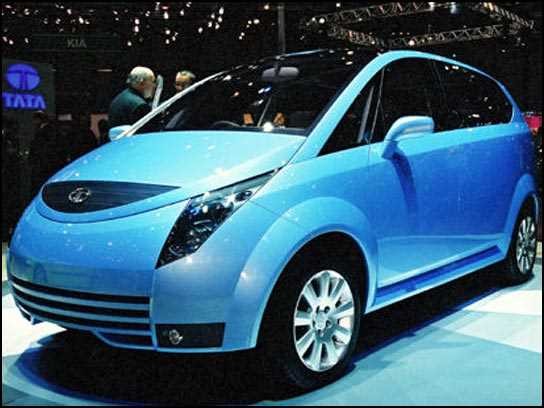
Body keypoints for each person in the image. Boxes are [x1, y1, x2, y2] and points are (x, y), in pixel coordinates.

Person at [28, 111, 65, 196]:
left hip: (43, 164)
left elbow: (40, 149)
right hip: (48, 164)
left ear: (39, 119)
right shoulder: (52, 131)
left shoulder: (43, 132)